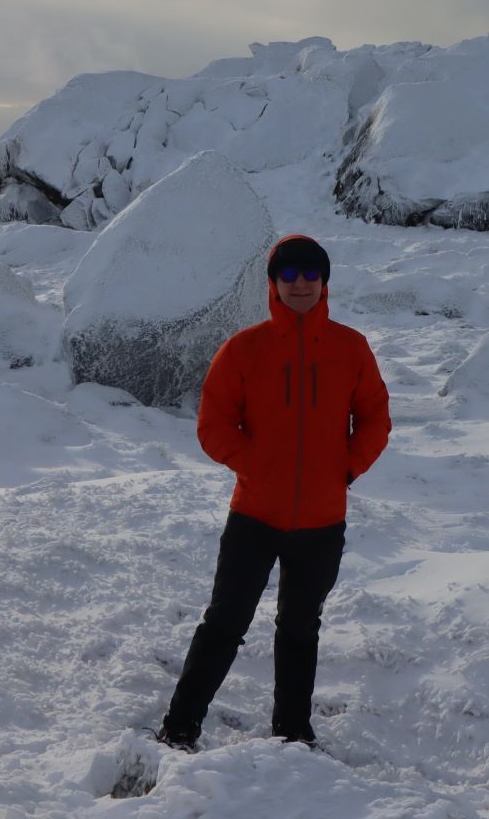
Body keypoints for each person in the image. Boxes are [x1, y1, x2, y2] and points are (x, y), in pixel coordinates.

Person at [156, 234, 391, 750]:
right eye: (289, 275)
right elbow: (213, 423)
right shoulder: (245, 349)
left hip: (322, 519)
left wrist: (347, 469)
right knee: (225, 622)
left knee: (300, 627)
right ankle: (180, 725)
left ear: (325, 282)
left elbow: (374, 417)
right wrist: (254, 466)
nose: (301, 284)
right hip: (254, 517)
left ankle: (291, 732)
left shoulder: (350, 348)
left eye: (311, 274)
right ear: (273, 284)